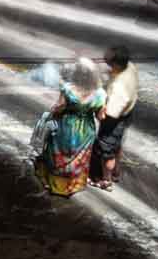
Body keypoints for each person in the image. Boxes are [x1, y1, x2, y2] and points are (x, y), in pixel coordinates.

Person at [33, 57, 106, 197]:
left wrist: (52, 112)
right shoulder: (100, 94)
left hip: (66, 127)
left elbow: (59, 108)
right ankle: (74, 185)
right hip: (86, 129)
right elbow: (100, 116)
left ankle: (56, 184)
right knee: (80, 157)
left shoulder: (68, 89)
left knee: (59, 155)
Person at [90, 45, 139, 191]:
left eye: (109, 62)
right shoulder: (130, 66)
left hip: (114, 119)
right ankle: (116, 171)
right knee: (116, 144)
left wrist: (95, 107)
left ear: (116, 64)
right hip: (128, 113)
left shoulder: (119, 88)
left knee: (107, 150)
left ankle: (106, 180)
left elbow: (109, 113)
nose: (107, 64)